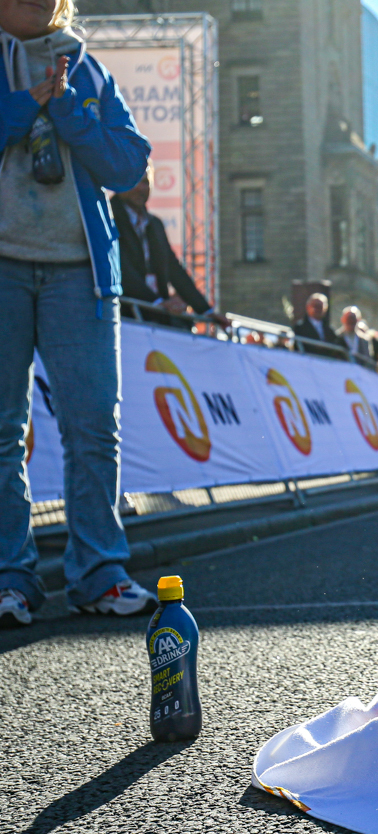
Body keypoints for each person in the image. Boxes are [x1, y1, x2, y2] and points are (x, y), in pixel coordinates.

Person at [0, 0, 160, 628]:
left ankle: (99, 573)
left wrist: (67, 110)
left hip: (81, 275)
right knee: (1, 432)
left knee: (93, 429)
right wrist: (21, 108)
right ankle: (10, 579)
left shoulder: (87, 70)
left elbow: (128, 164)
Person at [113, 163, 227, 329]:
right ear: (119, 183)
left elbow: (174, 269)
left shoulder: (155, 224)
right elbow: (120, 270)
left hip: (155, 315)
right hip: (124, 316)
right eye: (135, 182)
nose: (141, 188)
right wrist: (157, 302)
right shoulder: (108, 219)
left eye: (146, 182)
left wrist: (205, 310)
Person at [292, 293, 342, 357]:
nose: (318, 309)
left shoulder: (329, 329)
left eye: (320, 306)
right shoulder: (300, 328)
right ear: (308, 307)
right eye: (315, 306)